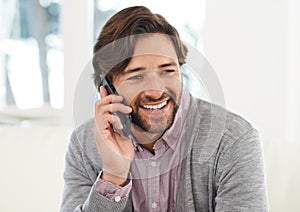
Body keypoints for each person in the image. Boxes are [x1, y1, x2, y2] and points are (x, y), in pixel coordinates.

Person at [60, 6, 268, 212]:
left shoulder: (233, 139)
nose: (156, 91)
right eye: (136, 76)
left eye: (167, 71)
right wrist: (113, 177)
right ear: (107, 87)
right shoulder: (85, 144)